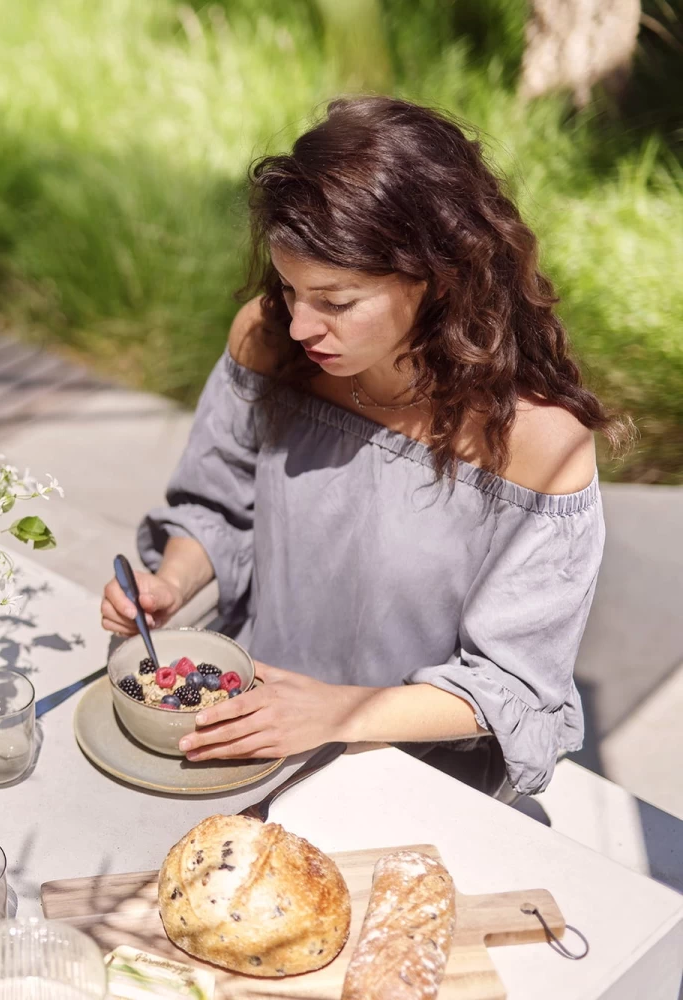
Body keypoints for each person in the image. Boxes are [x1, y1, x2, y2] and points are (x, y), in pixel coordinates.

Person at [100, 96, 629, 799]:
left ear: (437, 278)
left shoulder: (538, 444)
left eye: (336, 301)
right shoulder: (268, 340)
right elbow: (219, 507)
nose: (300, 326)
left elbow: (512, 688)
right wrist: (173, 580)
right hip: (247, 728)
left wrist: (339, 714)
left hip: (413, 775)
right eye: (290, 290)